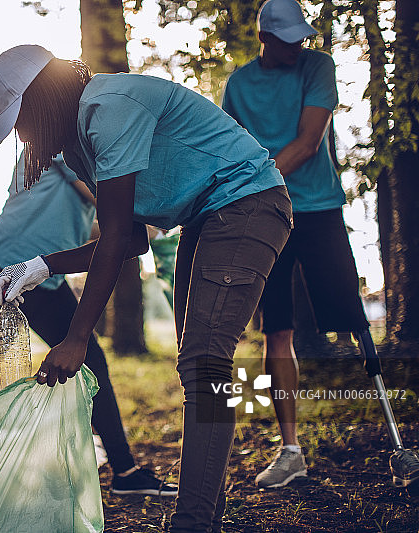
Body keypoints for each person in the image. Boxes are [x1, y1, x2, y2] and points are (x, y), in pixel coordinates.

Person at [0, 44, 293, 532]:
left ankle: (192, 523)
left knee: (204, 361)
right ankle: (201, 518)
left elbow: (112, 240)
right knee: (198, 366)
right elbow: (127, 239)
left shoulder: (108, 108)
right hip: (203, 217)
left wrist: (77, 337)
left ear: (42, 98)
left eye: (21, 119)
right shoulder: (78, 140)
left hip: (245, 203)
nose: (23, 133)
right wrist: (43, 265)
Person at [221, 0, 419, 490]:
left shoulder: (319, 66)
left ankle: (395, 441)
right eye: (288, 39)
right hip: (266, 216)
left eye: (301, 37)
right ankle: (290, 452)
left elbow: (309, 141)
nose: (298, 46)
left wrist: (257, 181)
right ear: (266, 36)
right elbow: (228, 146)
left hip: (318, 208)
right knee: (278, 330)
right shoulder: (239, 85)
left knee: (353, 316)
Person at [0, 151, 179, 505]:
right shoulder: (62, 147)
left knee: (89, 360)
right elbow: (108, 200)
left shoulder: (67, 152)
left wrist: (140, 229)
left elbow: (90, 225)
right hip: (7, 265)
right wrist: (158, 212)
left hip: (36, 271)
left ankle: (125, 472)